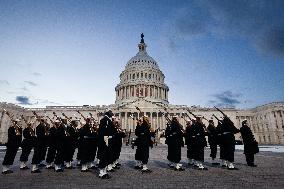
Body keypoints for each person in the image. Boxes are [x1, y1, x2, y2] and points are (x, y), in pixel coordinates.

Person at [97, 110, 115, 179]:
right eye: (111, 113)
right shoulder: (105, 120)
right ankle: (101, 173)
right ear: (108, 113)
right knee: (104, 156)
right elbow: (104, 132)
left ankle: (104, 172)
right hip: (105, 140)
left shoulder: (107, 119)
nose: (112, 114)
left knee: (107, 156)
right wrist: (106, 140)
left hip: (107, 139)